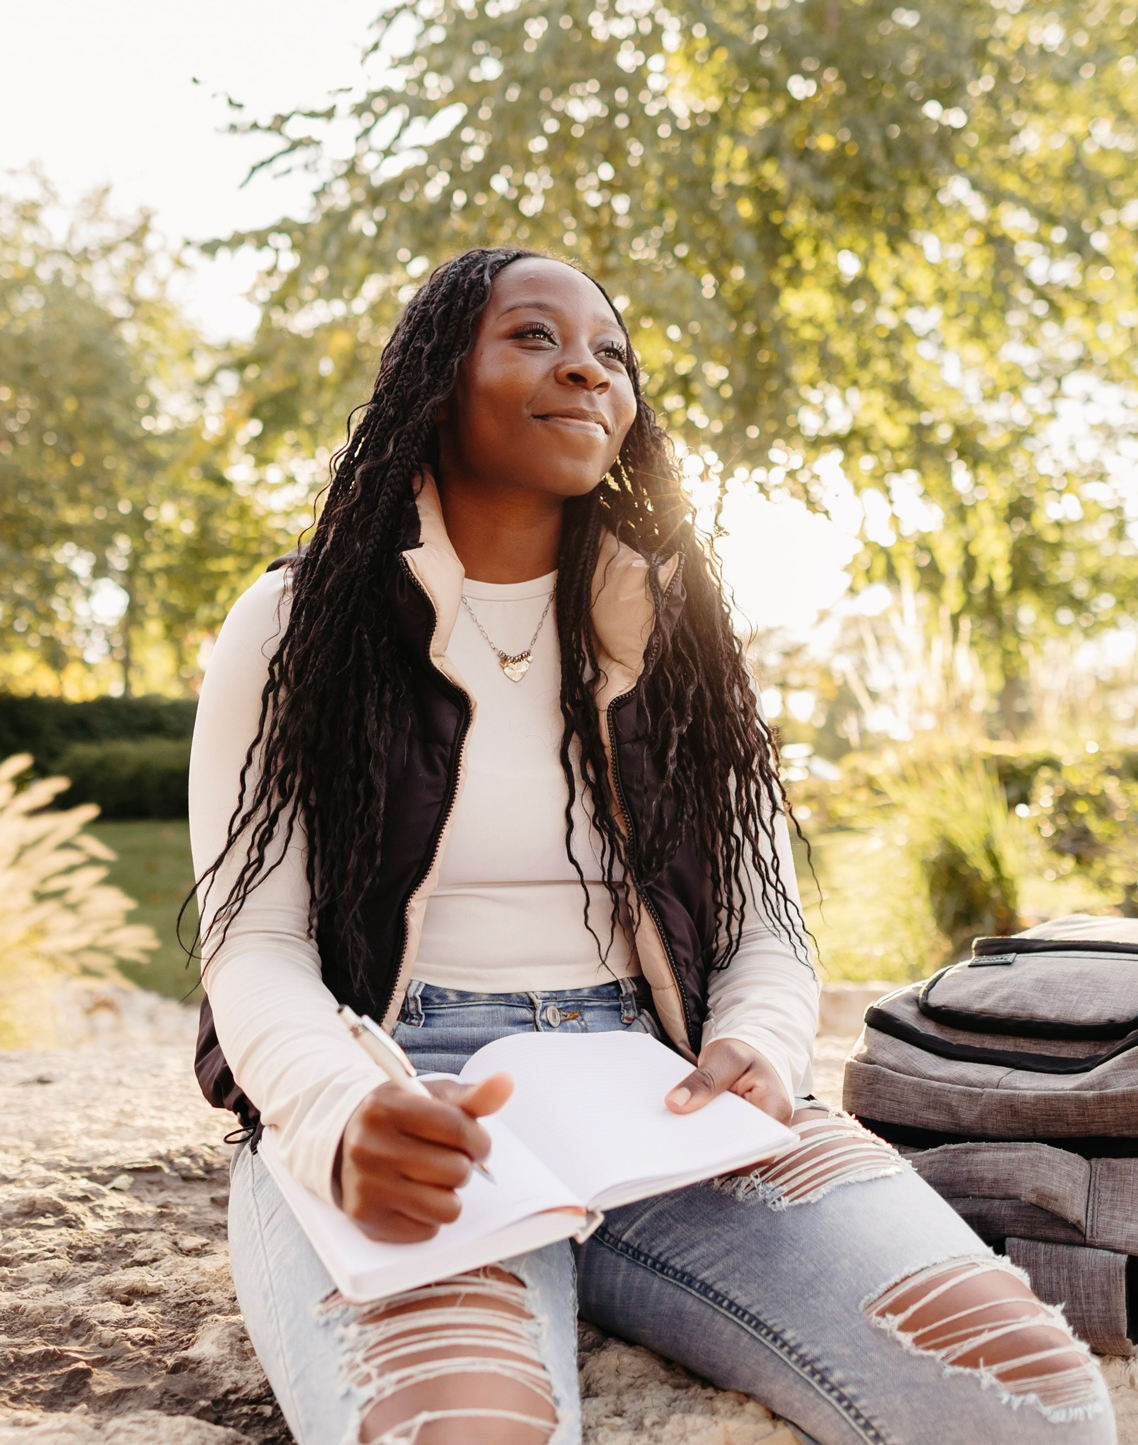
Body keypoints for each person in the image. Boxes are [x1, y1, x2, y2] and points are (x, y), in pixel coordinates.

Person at [188, 248, 1116, 1445]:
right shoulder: (295, 620)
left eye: (612, 353)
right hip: (405, 1089)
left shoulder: (676, 623)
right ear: (434, 379)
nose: (585, 365)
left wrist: (757, 1045)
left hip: (658, 1085)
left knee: (1029, 1401)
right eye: (531, 334)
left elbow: (764, 923)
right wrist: (333, 1107)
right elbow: (251, 939)